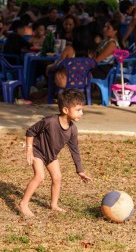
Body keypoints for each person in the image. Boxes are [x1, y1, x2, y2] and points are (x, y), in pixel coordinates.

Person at [18, 89, 92, 217]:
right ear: (65, 110)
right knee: (40, 176)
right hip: (38, 150)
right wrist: (29, 150)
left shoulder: (72, 129)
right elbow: (31, 131)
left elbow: (74, 149)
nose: (82, 113)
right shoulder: (50, 121)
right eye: (78, 110)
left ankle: (54, 205)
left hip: (51, 155)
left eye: (82, 109)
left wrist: (80, 171)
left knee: (57, 177)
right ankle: (23, 204)